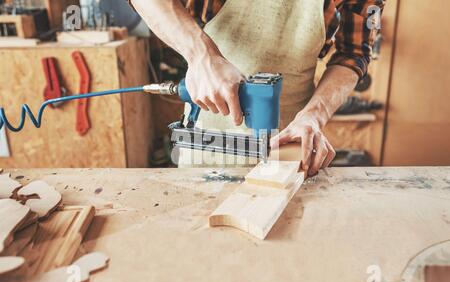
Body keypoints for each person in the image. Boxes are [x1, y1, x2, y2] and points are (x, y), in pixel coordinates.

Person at [129, 0, 384, 176]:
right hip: (207, 140)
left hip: (288, 144)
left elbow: (354, 53)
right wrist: (201, 55)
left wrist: (314, 116)